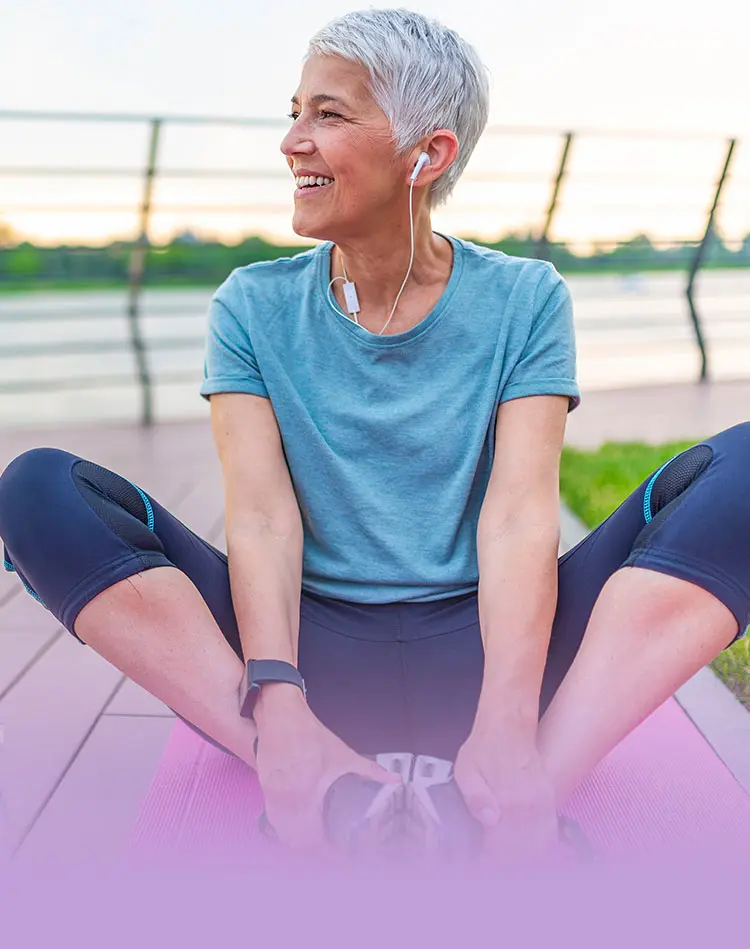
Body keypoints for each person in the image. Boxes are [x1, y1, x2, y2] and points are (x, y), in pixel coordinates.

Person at [1, 8, 748, 859]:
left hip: (491, 651)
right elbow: (261, 519)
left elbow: (516, 519)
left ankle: (524, 782)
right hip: (307, 663)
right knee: (35, 489)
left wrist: (506, 715)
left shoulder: (526, 298)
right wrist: (277, 700)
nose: (291, 141)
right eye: (294, 111)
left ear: (425, 157)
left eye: (328, 113)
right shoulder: (251, 304)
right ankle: (302, 767)